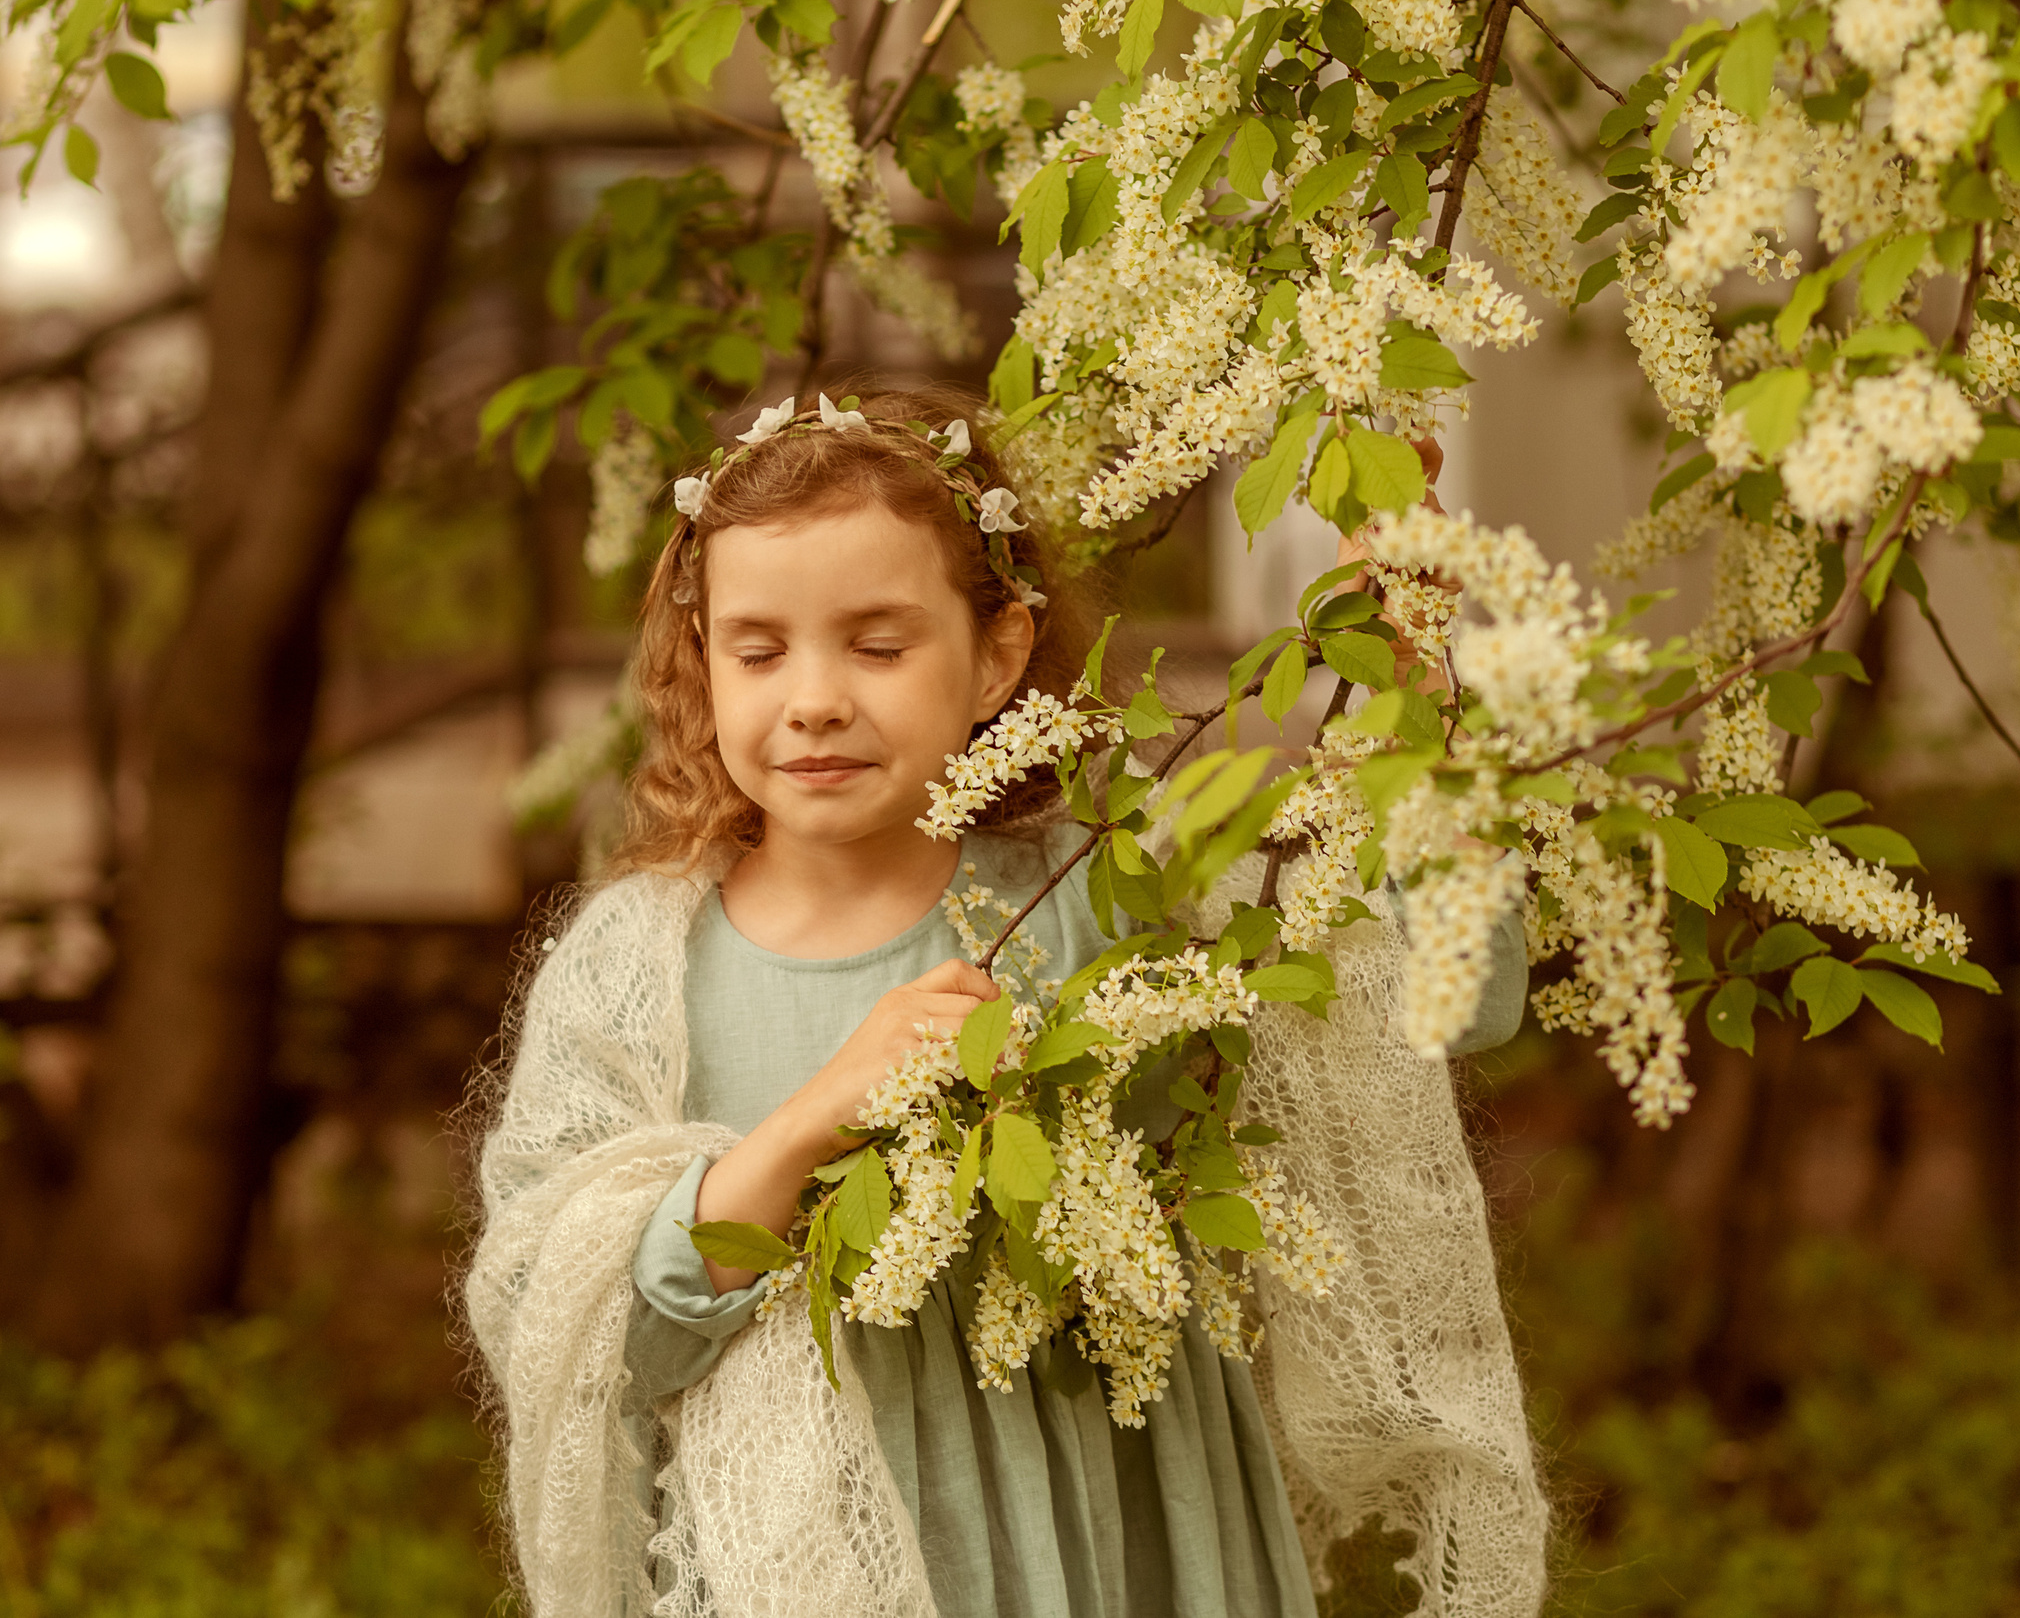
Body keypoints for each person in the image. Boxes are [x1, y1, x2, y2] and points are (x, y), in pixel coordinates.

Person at [464, 383, 1548, 1618]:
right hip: (806, 1558)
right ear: (699, 667)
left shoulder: (1110, 876)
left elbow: (1437, 984)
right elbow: (582, 1333)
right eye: (757, 650)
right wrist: (815, 1119)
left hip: (1125, 1521)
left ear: (997, 657)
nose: (813, 696)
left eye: (878, 645)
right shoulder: (636, 967)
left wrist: (1408, 672)